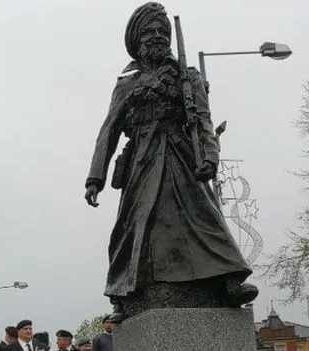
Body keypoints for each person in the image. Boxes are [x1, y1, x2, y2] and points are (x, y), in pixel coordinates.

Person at [83, 1, 257, 322]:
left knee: (204, 217)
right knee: (131, 229)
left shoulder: (186, 78)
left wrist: (209, 156)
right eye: (149, 32)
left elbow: (203, 120)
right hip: (141, 161)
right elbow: (108, 132)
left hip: (181, 156)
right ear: (138, 42)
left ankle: (229, 280)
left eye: (162, 31)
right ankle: (124, 296)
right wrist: (95, 178)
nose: (157, 36)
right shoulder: (126, 86)